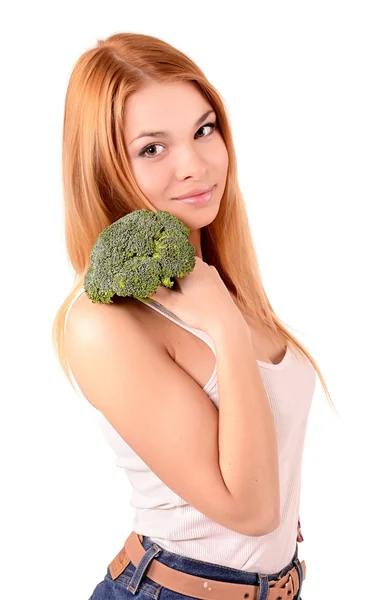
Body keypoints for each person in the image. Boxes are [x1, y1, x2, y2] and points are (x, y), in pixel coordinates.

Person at [52, 31, 337, 600]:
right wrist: (226, 326)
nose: (196, 165)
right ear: (104, 167)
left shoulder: (213, 276)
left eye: (204, 130)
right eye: (152, 148)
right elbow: (251, 509)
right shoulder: (103, 321)